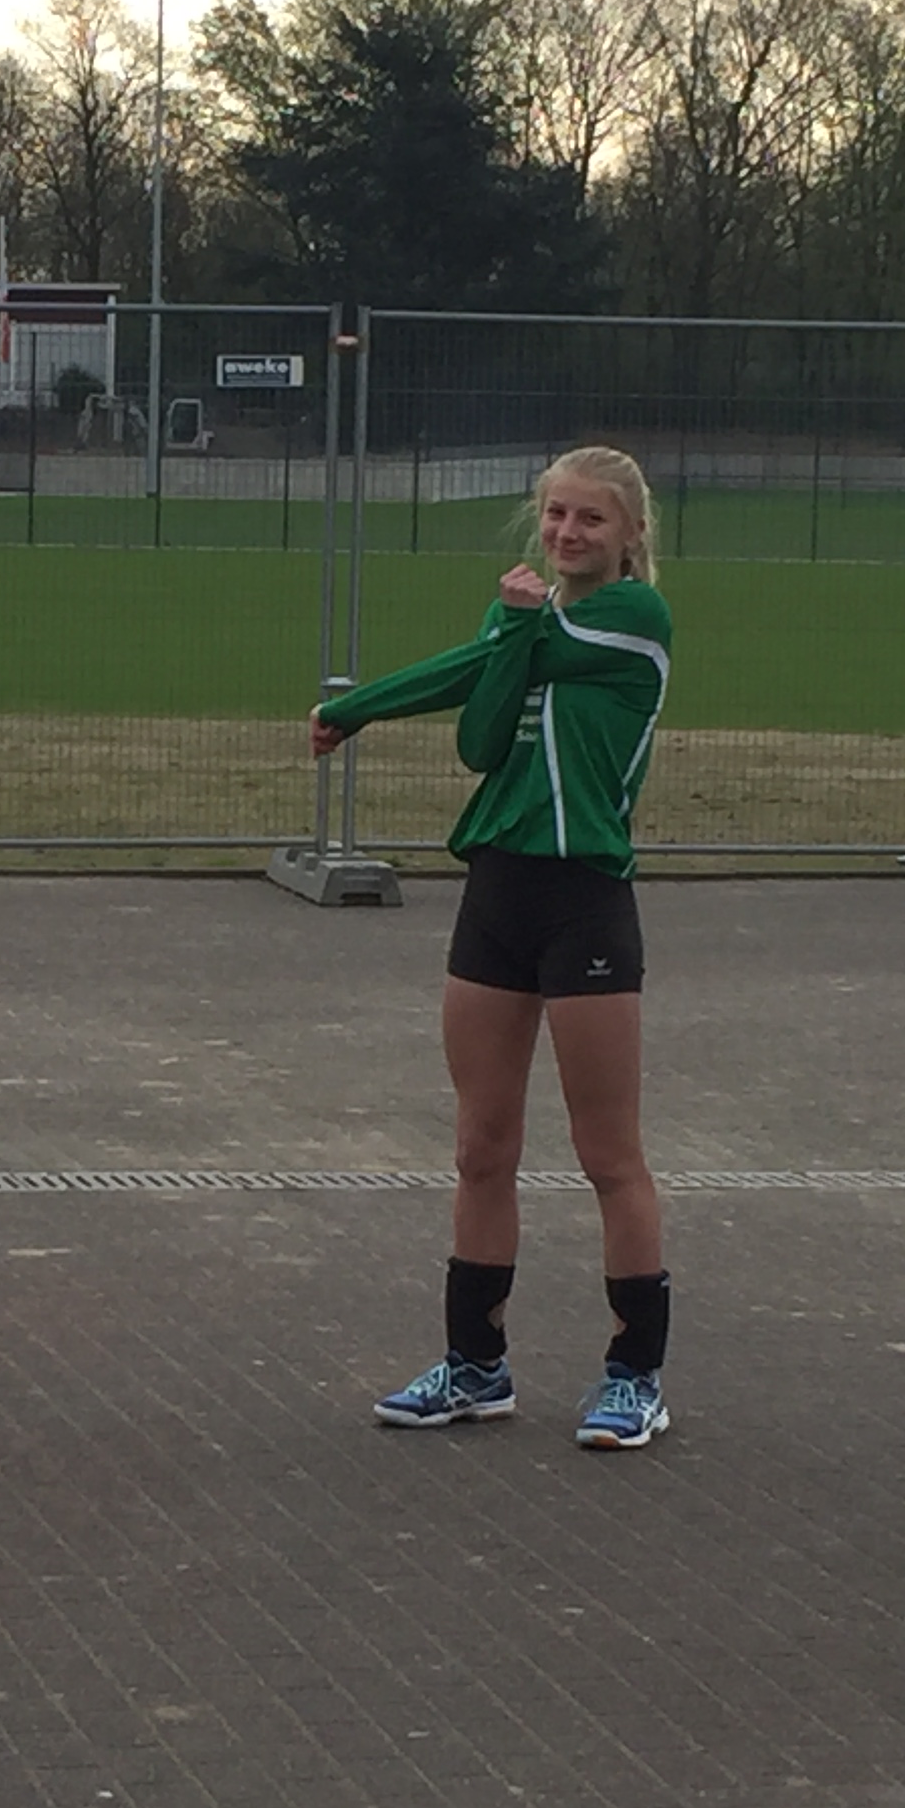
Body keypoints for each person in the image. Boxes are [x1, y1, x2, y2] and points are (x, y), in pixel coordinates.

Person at [310, 445, 677, 1449]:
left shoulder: (635, 618)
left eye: (590, 519)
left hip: (585, 897)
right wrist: (506, 631)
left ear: (630, 534)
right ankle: (475, 1365)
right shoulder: (522, 619)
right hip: (499, 892)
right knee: (481, 1146)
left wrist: (357, 707)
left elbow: (491, 663)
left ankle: (635, 1376)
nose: (567, 533)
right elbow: (479, 741)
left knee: (609, 1154)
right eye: (555, 514)